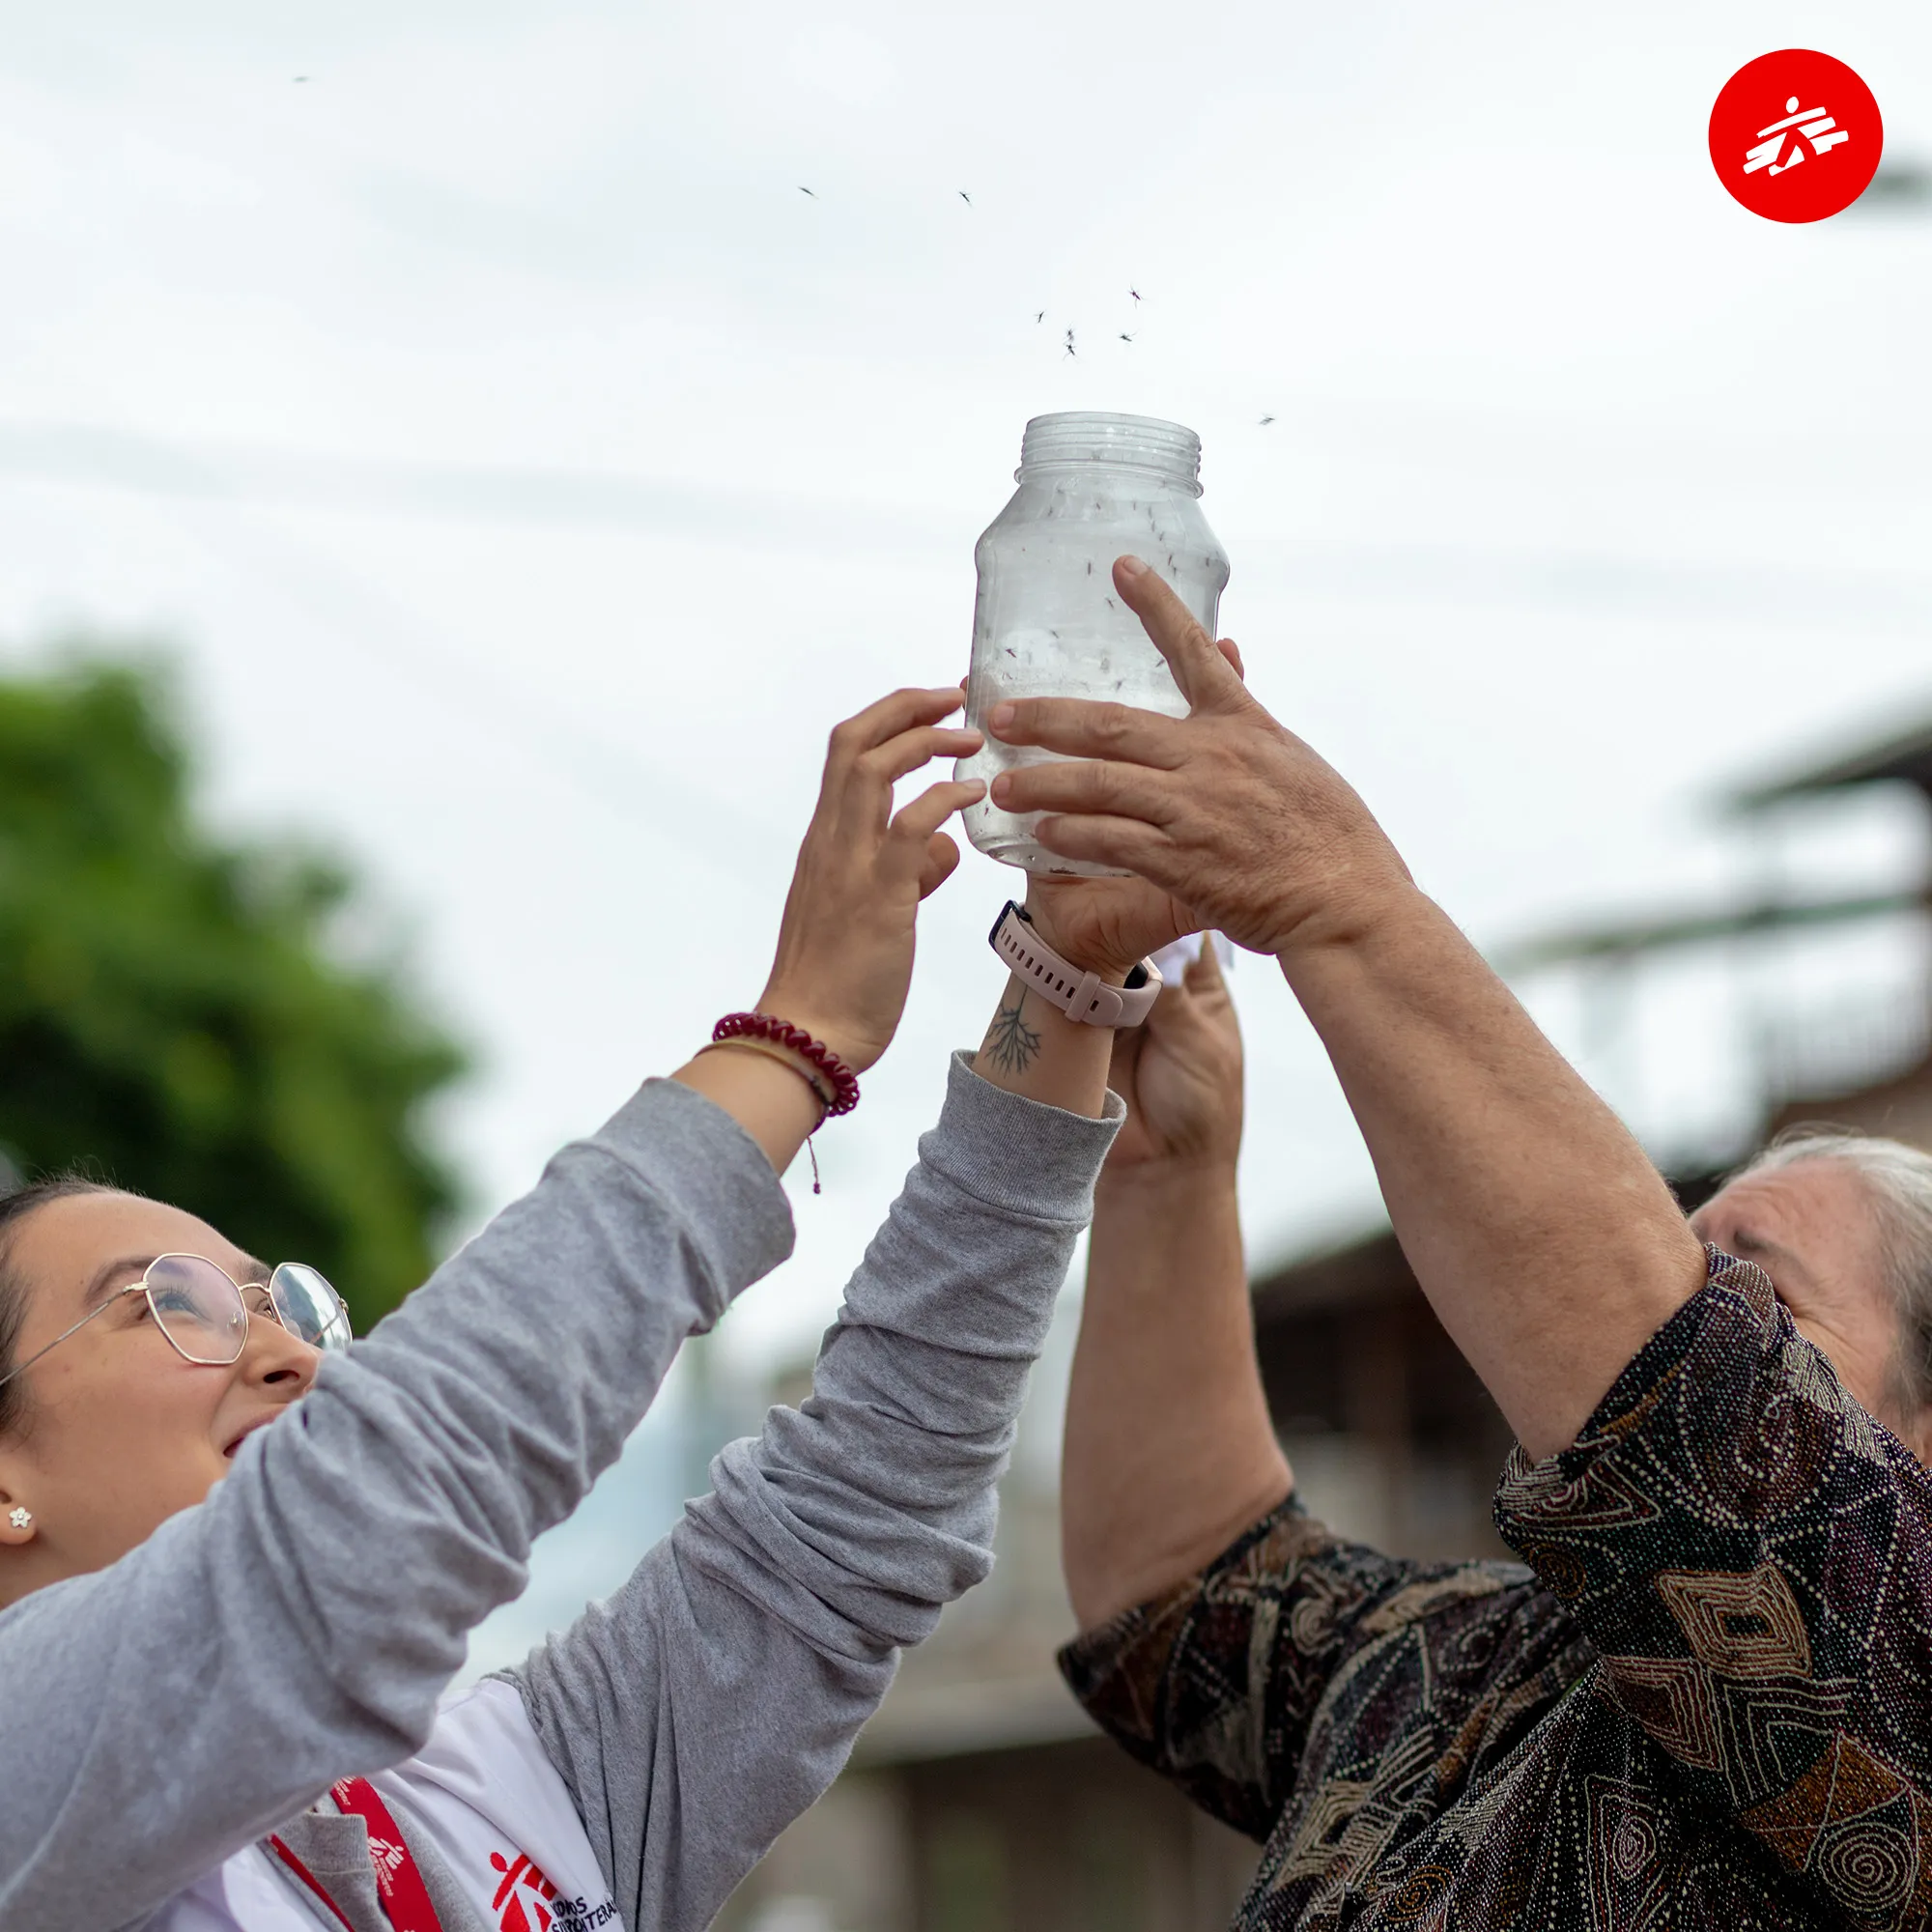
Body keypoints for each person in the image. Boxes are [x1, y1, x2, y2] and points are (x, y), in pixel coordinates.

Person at [0, 682, 1192, 1932]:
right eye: (171, 1305)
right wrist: (794, 1037)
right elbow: (360, 1538)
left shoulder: (482, 1801)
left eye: (286, 1303)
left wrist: (1069, 977)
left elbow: (852, 1530)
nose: (291, 1356)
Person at [992, 557, 1932, 1929]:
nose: (1695, 1303)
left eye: (1759, 1294)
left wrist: (1335, 894)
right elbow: (1185, 1606)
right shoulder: (1493, 1665)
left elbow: (1666, 1381)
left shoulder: (1903, 1664)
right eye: (1692, 1265)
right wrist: (1166, 1177)